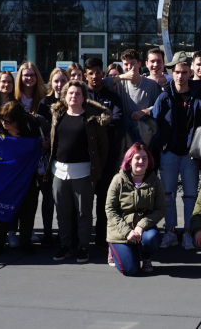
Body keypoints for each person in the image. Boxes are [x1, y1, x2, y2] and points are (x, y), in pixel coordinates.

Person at [47, 80, 111, 263]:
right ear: (64, 96)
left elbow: (103, 148)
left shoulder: (92, 119)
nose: (73, 96)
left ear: (84, 97)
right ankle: (66, 246)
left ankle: (83, 247)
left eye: (77, 94)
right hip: (59, 172)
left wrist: (97, 169)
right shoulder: (57, 115)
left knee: (84, 213)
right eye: (70, 93)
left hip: (84, 173)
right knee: (62, 213)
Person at [152, 52, 201, 250]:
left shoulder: (199, 94)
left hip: (190, 153)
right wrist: (162, 145)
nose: (180, 76)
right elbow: (155, 122)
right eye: (177, 72)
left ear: (190, 73)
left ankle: (187, 232)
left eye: (184, 72)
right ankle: (170, 231)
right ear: (172, 72)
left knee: (190, 195)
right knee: (168, 194)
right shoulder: (164, 96)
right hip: (169, 151)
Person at [0, 101, 47, 256]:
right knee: (1, 209)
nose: (3, 123)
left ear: (18, 120)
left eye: (8, 121)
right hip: (5, 179)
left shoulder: (32, 128)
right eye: (1, 119)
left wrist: (43, 144)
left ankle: (25, 241)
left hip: (27, 177)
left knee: (28, 210)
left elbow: (43, 144)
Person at [83, 58, 125, 257]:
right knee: (83, 202)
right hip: (84, 158)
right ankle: (82, 239)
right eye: (91, 73)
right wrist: (101, 123)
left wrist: (95, 125)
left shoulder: (112, 97)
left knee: (104, 201)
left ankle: (102, 238)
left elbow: (117, 119)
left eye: (98, 72)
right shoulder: (80, 96)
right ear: (85, 75)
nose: (95, 76)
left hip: (108, 157)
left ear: (103, 74)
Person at [106, 143, 166, 275]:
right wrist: (127, 231)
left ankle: (146, 256)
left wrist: (141, 226)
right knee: (130, 270)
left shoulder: (155, 181)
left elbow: (161, 209)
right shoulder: (118, 180)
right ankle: (113, 249)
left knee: (152, 238)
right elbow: (110, 209)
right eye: (137, 158)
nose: (141, 161)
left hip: (143, 230)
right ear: (129, 161)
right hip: (120, 230)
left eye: (144, 158)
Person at [105, 49, 161, 148]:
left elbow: (159, 106)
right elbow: (102, 82)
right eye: (126, 64)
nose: (129, 67)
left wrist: (146, 111)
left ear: (139, 64)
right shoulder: (119, 83)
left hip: (144, 134)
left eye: (132, 63)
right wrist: (121, 77)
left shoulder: (151, 85)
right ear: (122, 66)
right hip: (124, 134)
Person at [38, 67, 69, 245]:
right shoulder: (44, 103)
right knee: (48, 198)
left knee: (63, 199)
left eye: (63, 80)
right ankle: (47, 233)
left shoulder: (71, 101)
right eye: (56, 81)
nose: (59, 84)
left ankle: (64, 233)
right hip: (47, 158)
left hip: (65, 156)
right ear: (51, 82)